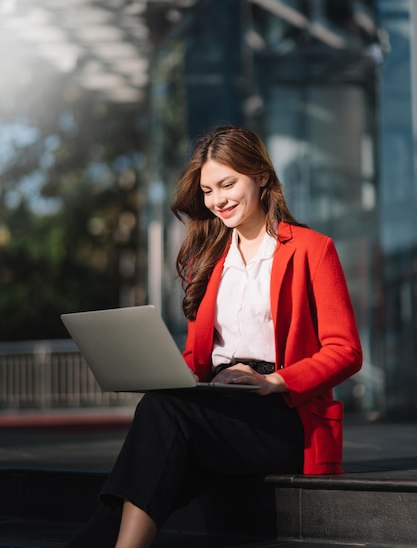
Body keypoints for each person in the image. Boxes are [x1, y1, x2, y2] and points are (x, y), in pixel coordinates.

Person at [68, 124, 362, 548]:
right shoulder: (208, 259)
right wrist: (156, 370)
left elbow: (346, 350)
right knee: (155, 430)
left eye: (227, 184)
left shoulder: (312, 249)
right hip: (219, 403)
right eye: (208, 191)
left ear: (261, 176)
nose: (217, 200)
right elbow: (196, 357)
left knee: (159, 424)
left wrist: (272, 381)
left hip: (283, 411)